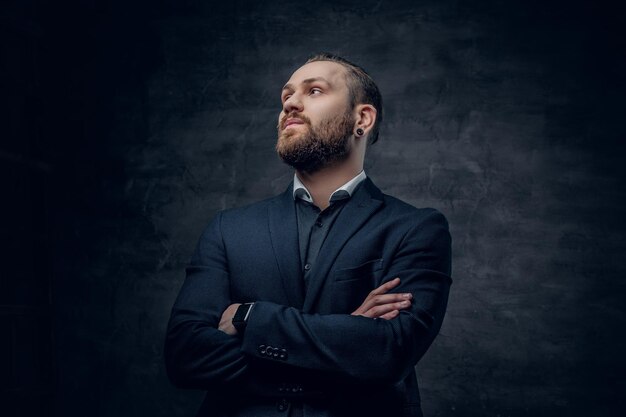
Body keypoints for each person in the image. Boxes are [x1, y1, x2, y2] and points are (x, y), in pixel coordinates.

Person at [164, 53, 452, 417]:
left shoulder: (415, 228)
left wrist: (248, 318)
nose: (291, 104)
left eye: (314, 91)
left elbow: (387, 354)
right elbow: (185, 357)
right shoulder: (228, 228)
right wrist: (348, 334)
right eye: (286, 97)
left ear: (362, 118)